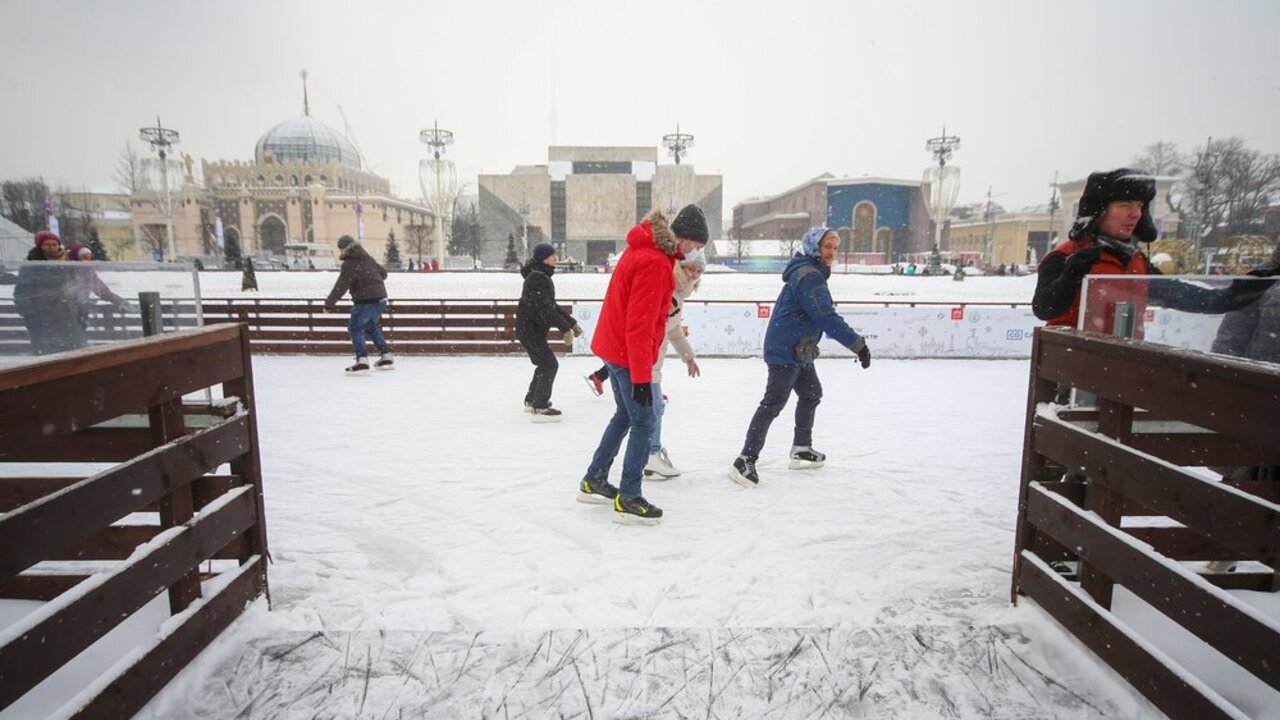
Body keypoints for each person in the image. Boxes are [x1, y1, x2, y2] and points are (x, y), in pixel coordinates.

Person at [578, 204, 709, 524]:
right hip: (626, 353)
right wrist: (641, 378)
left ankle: (594, 479)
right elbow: (640, 326)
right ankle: (630, 496)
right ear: (684, 238)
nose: (694, 253)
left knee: (625, 415)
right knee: (644, 421)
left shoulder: (643, 250)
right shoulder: (655, 263)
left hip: (613, 347)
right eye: (696, 245)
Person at [1033, 168, 1257, 337]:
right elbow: (1044, 308)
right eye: (1125, 206)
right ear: (1098, 210)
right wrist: (1068, 278)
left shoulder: (1137, 260)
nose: (1135, 214)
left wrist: (1229, 297)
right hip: (1072, 369)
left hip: (1126, 368)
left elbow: (1177, 293)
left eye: (1140, 206)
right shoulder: (1065, 256)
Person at [730, 226, 872, 488]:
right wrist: (858, 345)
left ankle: (801, 448)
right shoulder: (810, 277)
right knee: (773, 403)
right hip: (786, 349)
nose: (831, 252)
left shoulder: (811, 272)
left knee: (811, 393)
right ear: (814, 248)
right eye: (827, 246)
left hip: (799, 349)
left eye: (835, 248)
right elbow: (825, 316)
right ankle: (745, 459)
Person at [586, 250, 706, 477]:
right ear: (680, 266)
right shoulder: (667, 285)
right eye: (691, 268)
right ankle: (649, 456)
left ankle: (596, 476)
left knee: (632, 414)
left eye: (699, 271)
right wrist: (644, 368)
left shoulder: (680, 292)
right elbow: (645, 326)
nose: (694, 274)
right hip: (643, 359)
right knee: (647, 414)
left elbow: (673, 330)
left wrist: (688, 357)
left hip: (642, 358)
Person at [516, 243, 580, 420]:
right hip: (530, 330)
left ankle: (531, 400)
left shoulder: (540, 275)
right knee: (549, 365)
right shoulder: (537, 278)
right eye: (553, 256)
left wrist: (571, 323)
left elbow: (551, 306)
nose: (556, 259)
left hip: (530, 329)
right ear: (545, 258)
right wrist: (564, 328)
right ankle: (540, 406)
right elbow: (544, 308)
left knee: (544, 364)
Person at [324, 235, 393, 374]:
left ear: (345, 248)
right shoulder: (368, 258)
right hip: (381, 299)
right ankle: (386, 356)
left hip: (365, 301)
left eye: (341, 249)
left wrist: (329, 304)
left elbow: (341, 286)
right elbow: (384, 274)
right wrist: (371, 278)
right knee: (370, 326)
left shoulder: (350, 263)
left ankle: (362, 361)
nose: (340, 252)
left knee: (355, 328)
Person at [14, 231, 85, 355]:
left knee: (74, 357)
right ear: (39, 246)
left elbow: (77, 289)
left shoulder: (66, 264)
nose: (51, 247)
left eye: (54, 244)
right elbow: (22, 294)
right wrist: (30, 317)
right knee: (49, 358)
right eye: (47, 244)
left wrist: (82, 312)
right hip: (44, 320)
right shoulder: (31, 267)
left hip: (69, 320)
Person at [66, 243, 129, 330]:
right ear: (75, 258)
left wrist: (120, 301)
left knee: (78, 332)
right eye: (84, 258)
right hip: (65, 310)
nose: (87, 261)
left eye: (89, 258)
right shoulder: (65, 270)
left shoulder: (87, 271)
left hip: (81, 313)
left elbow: (102, 290)